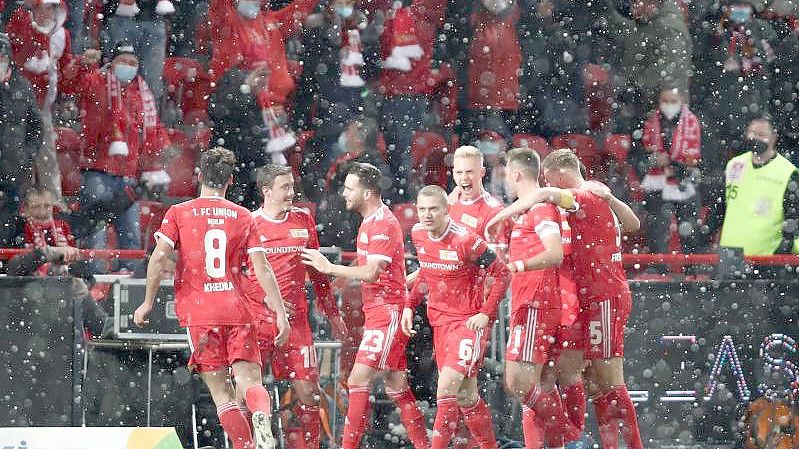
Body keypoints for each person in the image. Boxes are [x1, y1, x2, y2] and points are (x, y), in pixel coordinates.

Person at [133, 147, 290, 449]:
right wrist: (280, 312)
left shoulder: (179, 212)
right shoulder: (243, 216)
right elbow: (262, 267)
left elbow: (158, 258)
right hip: (236, 307)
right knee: (251, 383)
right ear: (230, 180)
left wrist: (148, 301)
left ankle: (246, 446)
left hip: (200, 312)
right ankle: (260, 414)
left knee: (222, 395)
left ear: (200, 176)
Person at [486, 148, 643, 449]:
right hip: (589, 296)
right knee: (594, 383)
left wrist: (500, 216)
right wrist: (611, 199)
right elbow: (633, 224)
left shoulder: (582, 197)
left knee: (609, 381)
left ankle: (595, 442)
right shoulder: (596, 198)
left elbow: (542, 195)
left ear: (558, 175)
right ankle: (585, 442)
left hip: (603, 296)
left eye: (550, 179)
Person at [301, 162, 430, 449]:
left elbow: (372, 272)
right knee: (397, 386)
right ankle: (425, 445)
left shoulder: (382, 223)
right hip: (381, 313)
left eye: (350, 188)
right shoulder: (371, 221)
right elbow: (383, 271)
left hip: (387, 314)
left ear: (368, 192)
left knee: (358, 380)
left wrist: (329, 268)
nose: (344, 193)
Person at [239, 164, 348, 449]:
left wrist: (332, 313)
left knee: (309, 395)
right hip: (258, 320)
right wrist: (266, 299)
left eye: (292, 186)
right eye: (285, 187)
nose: (292, 192)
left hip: (297, 322)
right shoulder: (248, 223)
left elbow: (317, 271)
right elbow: (236, 274)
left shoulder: (303, 220)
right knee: (248, 392)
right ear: (266, 191)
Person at [401, 184, 509, 449]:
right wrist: (409, 304)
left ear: (447, 210)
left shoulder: (466, 240)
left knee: (446, 389)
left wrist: (485, 314)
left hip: (467, 323)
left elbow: (502, 273)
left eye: (433, 209)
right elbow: (426, 273)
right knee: (465, 395)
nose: (427, 215)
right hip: (440, 322)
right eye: (422, 209)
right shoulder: (418, 234)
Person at [491, 148, 582, 448]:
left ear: (516, 174)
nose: (505, 180)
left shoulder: (539, 208)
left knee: (517, 383)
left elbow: (554, 252)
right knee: (539, 386)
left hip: (535, 304)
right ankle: (559, 442)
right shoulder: (527, 209)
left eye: (505, 174)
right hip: (532, 302)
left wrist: (519, 266)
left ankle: (568, 437)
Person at [65, 42, 173, 271]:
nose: (128, 67)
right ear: (111, 64)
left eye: (133, 63)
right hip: (97, 170)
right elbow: (73, 84)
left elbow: (153, 130)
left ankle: (129, 278)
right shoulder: (97, 82)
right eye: (123, 61)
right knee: (96, 228)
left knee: (130, 232)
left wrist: (163, 149)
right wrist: (84, 64)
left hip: (128, 174)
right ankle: (93, 276)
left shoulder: (142, 94)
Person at [711, 116, 799, 255]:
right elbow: (719, 208)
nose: (755, 138)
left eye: (761, 135)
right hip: (730, 255)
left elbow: (793, 221)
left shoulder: (787, 173)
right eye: (752, 133)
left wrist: (782, 251)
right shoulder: (734, 165)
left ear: (774, 137)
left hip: (767, 258)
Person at [634, 85, 702, 255]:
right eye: (665, 101)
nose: (669, 104)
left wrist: (672, 163)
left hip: (684, 181)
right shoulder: (649, 121)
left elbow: (698, 157)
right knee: (657, 229)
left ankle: (690, 269)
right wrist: (654, 161)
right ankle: (659, 268)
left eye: (673, 101)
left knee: (688, 228)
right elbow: (639, 153)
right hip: (656, 182)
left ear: (681, 102)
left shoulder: (693, 122)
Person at [0, 33, 43, 230]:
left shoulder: (22, 87)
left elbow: (36, 125)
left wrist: (27, 154)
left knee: (10, 224)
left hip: (13, 169)